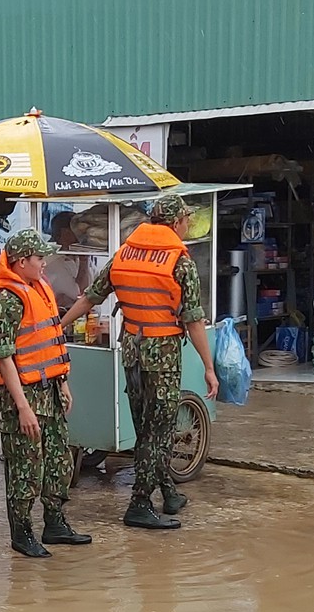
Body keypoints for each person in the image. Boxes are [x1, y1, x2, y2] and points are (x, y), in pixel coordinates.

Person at [59, 193, 219, 531]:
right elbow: (192, 319)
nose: (188, 224)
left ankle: (168, 492)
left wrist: (60, 327)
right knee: (157, 432)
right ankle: (140, 504)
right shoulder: (180, 261)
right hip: (162, 355)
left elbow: (91, 296)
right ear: (176, 222)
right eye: (187, 219)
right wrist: (208, 366)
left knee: (145, 428)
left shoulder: (125, 253)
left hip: (131, 349)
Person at [0, 228, 91, 558]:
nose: (44, 263)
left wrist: (63, 382)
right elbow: (4, 357)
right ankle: (21, 532)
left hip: (51, 392)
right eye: (38, 258)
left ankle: (55, 522)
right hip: (27, 397)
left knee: (58, 461)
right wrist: (22, 407)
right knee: (25, 467)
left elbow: (50, 344)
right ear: (20, 263)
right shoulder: (5, 300)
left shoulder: (39, 289)